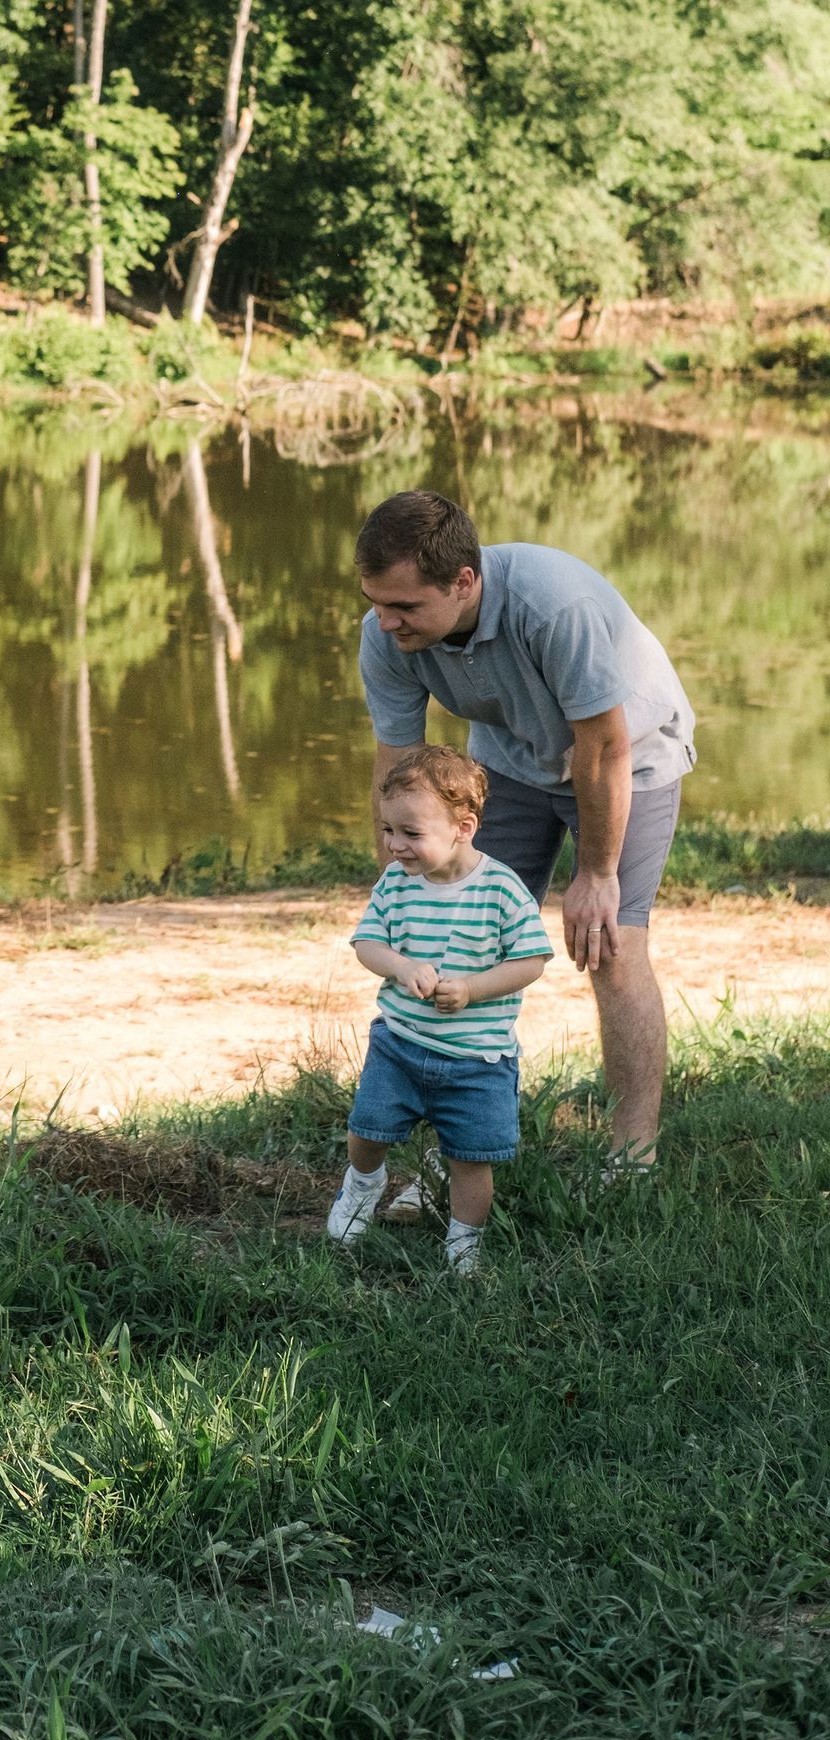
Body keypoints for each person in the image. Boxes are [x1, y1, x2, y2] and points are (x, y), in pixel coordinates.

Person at [354, 488, 695, 1171]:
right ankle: (454, 1149)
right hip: (508, 762)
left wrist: (595, 874)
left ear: (464, 581)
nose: (385, 622)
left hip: (630, 757)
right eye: (376, 602)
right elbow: (397, 762)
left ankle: (633, 1153)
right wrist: (399, 869)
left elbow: (604, 748)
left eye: (405, 606)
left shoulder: (552, 604)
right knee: (455, 933)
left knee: (612, 945)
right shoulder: (386, 635)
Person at [326, 744, 552, 1273]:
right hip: (401, 1043)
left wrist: (474, 988)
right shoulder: (396, 884)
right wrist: (401, 967)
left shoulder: (500, 889)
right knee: (367, 1130)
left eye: (411, 833)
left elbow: (532, 960)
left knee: (472, 1159)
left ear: (463, 827)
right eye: (388, 830)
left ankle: (464, 1241)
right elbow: (368, 945)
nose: (395, 845)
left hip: (477, 1060)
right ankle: (362, 1185)